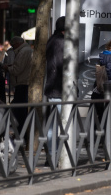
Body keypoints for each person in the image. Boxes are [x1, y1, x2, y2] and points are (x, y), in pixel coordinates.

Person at [2, 37, 33, 133]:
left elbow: (17, 70)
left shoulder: (24, 52)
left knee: (20, 110)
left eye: (13, 45)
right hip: (22, 83)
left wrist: (7, 68)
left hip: (23, 84)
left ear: (16, 44)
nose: (12, 47)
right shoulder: (25, 50)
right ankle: (20, 131)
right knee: (19, 109)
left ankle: (21, 132)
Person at [44, 16, 66, 154]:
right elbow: (61, 65)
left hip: (54, 87)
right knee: (55, 125)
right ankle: (53, 155)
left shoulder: (52, 39)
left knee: (53, 124)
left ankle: (52, 154)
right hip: (58, 88)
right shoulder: (60, 42)